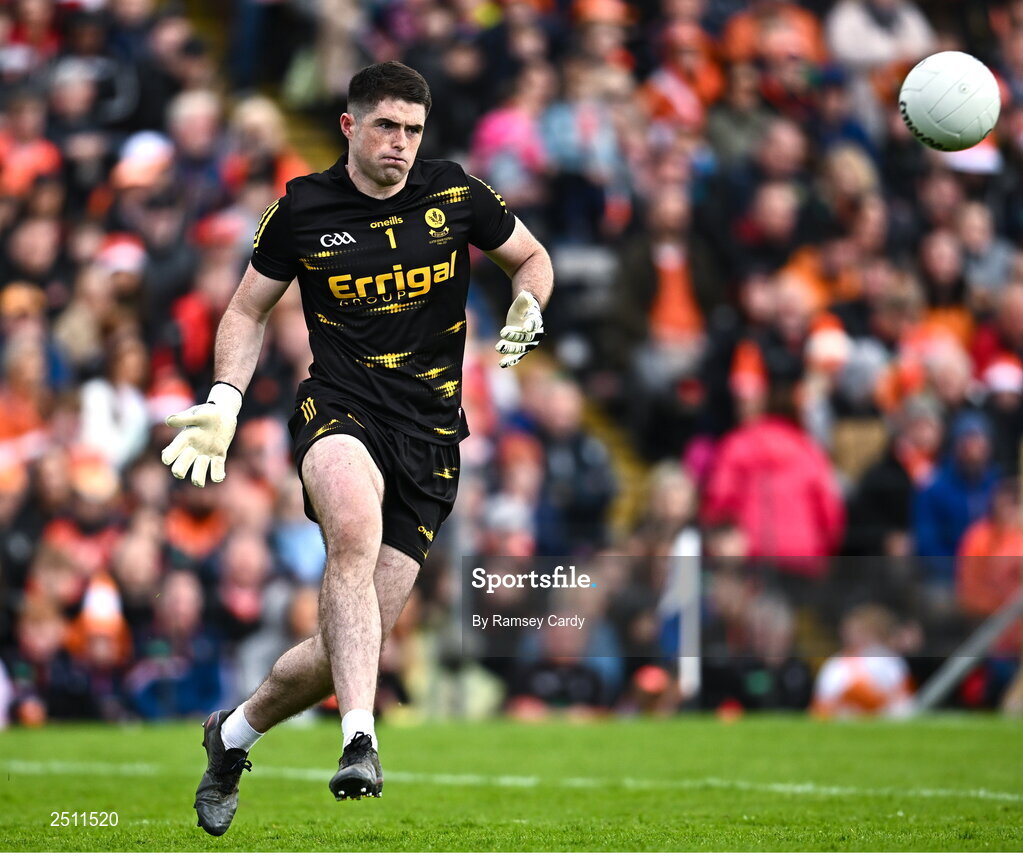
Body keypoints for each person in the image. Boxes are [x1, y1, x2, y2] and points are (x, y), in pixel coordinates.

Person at [159, 62, 553, 836]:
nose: (400, 144)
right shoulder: (301, 208)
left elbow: (530, 256)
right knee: (351, 532)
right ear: (349, 125)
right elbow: (245, 310)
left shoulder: (455, 192)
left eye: (411, 129)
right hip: (338, 407)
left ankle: (232, 734)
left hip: (432, 438)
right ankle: (360, 739)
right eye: (385, 126)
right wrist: (225, 399)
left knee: (351, 633)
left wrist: (529, 300)